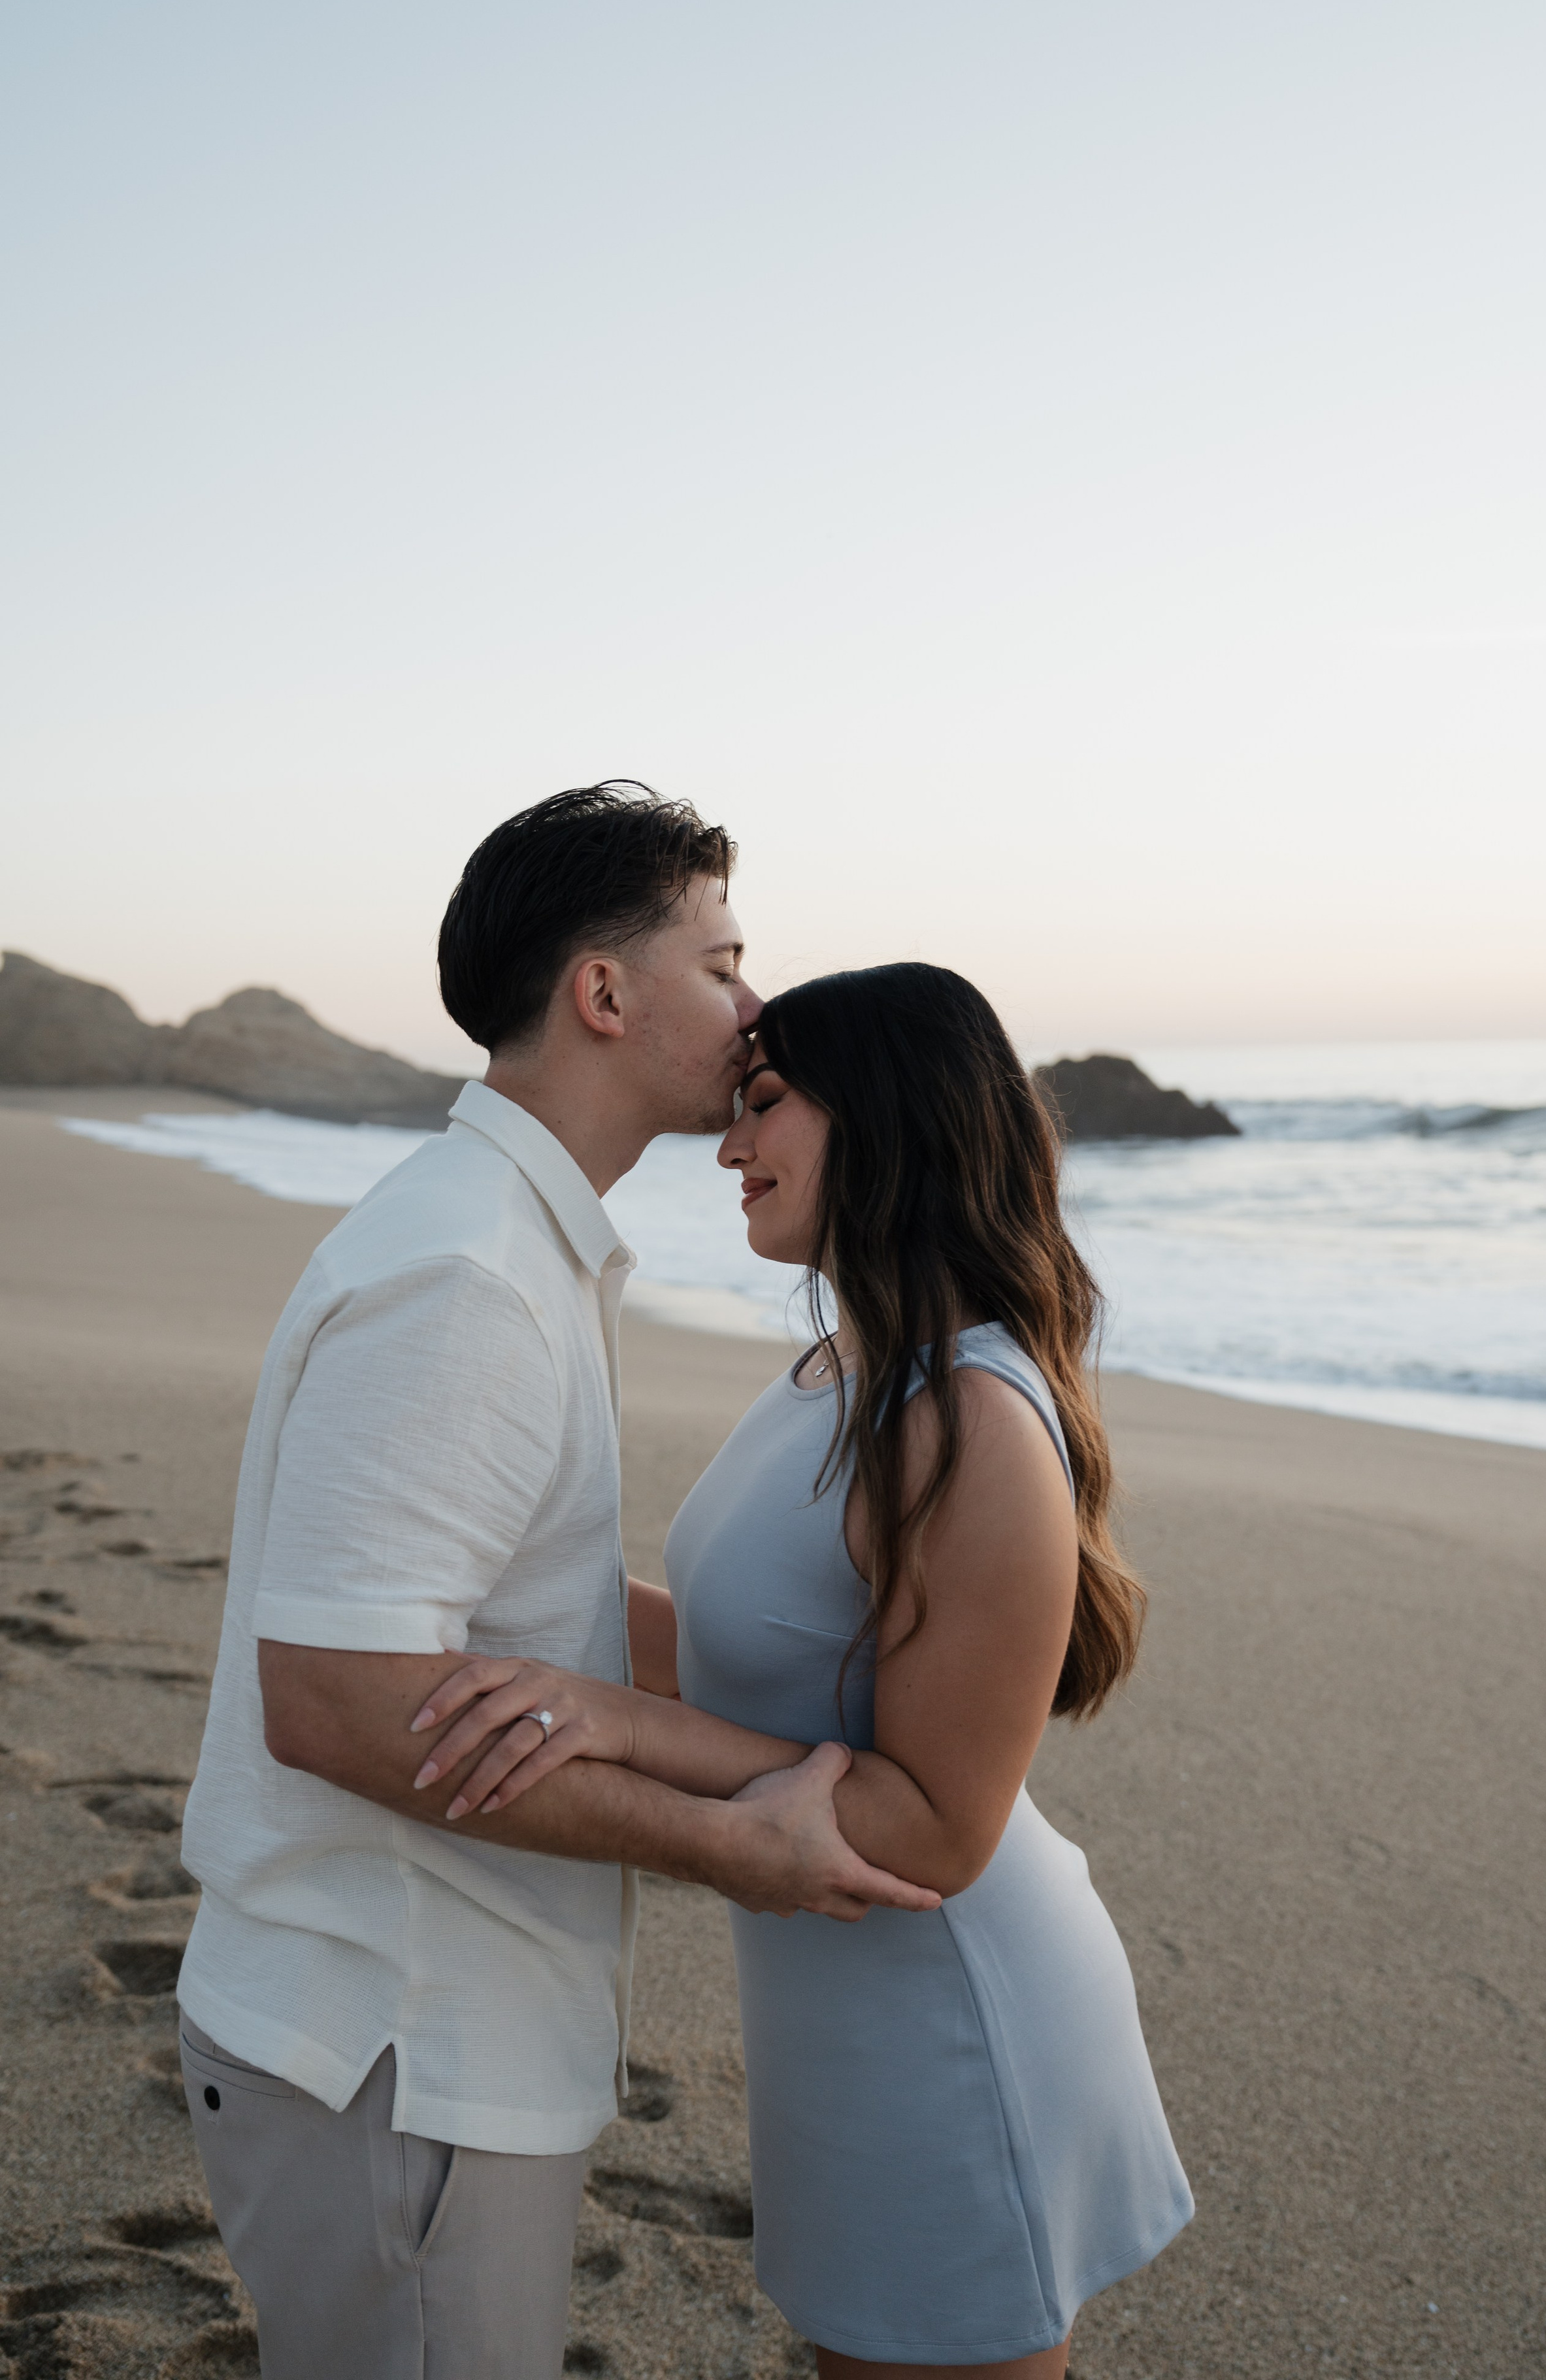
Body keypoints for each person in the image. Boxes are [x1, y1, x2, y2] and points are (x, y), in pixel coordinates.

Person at [175, 788, 940, 2380]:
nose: (753, 1012)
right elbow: (332, 1701)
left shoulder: (507, 1244)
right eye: (723, 965)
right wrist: (735, 1848)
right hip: (395, 2048)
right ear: (603, 995)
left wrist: (798, 1702)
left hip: (418, 2035)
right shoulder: (467, 1277)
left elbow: (519, 1608)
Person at [419, 961, 1195, 2378]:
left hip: (951, 2015)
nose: (727, 1144)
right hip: (837, 2014)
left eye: (764, 1105)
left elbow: (938, 1831)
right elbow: (738, 1656)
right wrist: (489, 1604)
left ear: (889, 1117)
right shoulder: (841, 1364)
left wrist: (614, 1724)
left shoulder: (969, 1417)